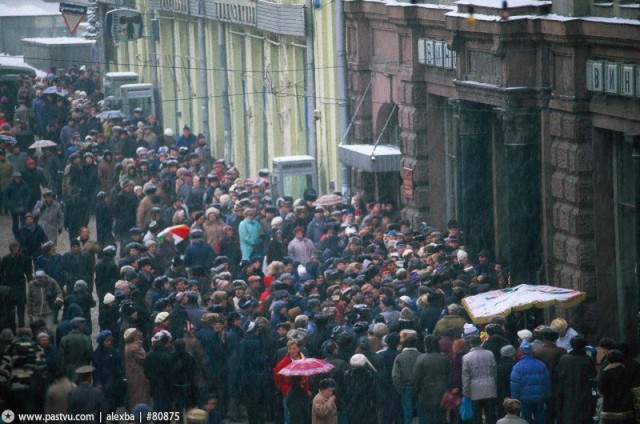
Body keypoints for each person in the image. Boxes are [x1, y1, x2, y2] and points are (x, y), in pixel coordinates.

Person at [555, 335, 596, 424]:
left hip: (568, 391)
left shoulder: (565, 359)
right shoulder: (587, 359)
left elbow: (559, 373)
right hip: (584, 391)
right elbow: (593, 374)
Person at [509, 340, 551, 424]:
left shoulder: (518, 366)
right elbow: (547, 382)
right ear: (531, 351)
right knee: (540, 418)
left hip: (524, 399)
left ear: (521, 352)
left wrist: (516, 399)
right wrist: (547, 396)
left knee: (525, 419)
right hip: (540, 397)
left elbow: (515, 386)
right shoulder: (541, 364)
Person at [413, 334, 450, 424]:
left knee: (427, 418)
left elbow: (417, 378)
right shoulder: (444, 358)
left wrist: (416, 392)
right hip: (442, 393)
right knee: (441, 417)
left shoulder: (421, 359)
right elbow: (448, 374)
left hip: (425, 394)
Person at [462, 335, 497, 424]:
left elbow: (466, 377)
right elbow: (494, 371)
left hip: (475, 391)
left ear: (470, 344)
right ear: (480, 342)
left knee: (477, 416)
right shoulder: (490, 354)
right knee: (490, 415)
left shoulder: (466, 357)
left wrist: (466, 392)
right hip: (490, 387)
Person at [1, 241, 33, 328]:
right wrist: (4, 283)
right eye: (13, 248)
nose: (15, 250)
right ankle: (11, 327)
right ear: (11, 249)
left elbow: (29, 272)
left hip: (20, 285)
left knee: (21, 307)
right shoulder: (5, 259)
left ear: (19, 248)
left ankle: (21, 326)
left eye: (17, 247)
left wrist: (30, 282)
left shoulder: (25, 259)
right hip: (9, 285)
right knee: (9, 307)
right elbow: (1, 272)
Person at [392, 330, 421, 424]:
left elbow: (395, 376)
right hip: (420, 388)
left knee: (407, 412)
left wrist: (400, 388)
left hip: (406, 388)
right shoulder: (421, 356)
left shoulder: (400, 357)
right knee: (420, 412)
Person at [599, 350, 634, 424]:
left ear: (609, 360)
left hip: (609, 408)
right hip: (625, 407)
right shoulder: (626, 372)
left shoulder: (605, 373)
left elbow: (601, 390)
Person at [5, 171, 31, 238]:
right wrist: (9, 204)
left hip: (23, 205)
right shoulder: (10, 186)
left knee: (23, 221)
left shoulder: (25, 184)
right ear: (14, 178)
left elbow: (29, 193)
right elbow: (6, 196)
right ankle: (16, 234)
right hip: (13, 206)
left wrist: (26, 202)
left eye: (19, 178)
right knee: (15, 223)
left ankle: (23, 233)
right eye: (16, 178)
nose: (18, 179)